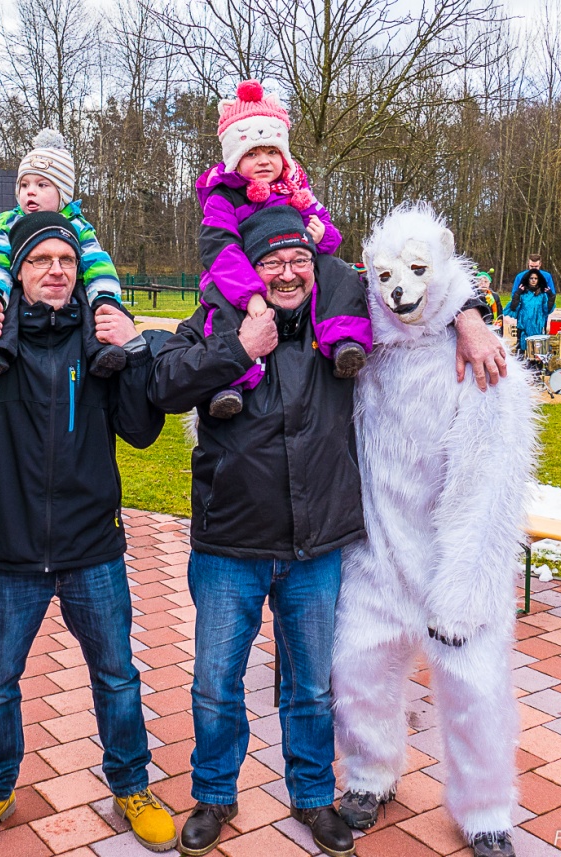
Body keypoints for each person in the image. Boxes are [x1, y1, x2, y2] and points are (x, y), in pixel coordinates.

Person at [148, 206, 505, 857]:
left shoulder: (340, 326)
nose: (287, 272)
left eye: (298, 261)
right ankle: (214, 796)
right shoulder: (215, 319)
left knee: (311, 686)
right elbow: (164, 384)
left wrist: (471, 316)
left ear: (316, 268)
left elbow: (422, 286)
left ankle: (313, 797)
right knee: (214, 682)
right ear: (250, 272)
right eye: (271, 262)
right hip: (230, 546)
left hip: (314, 550)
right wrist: (237, 349)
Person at [0, 212, 174, 857]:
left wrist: (136, 351)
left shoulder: (102, 340)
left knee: (117, 675)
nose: (55, 270)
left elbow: (143, 431)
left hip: (92, 547)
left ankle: (132, 785)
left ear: (80, 273)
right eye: (40, 261)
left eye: (65, 259)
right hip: (5, 550)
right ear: (19, 273)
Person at [196, 79, 372, 418]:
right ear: (235, 157)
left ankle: (345, 340)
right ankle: (230, 381)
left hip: (291, 271)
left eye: (272, 151)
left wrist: (323, 236)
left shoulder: (296, 190)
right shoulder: (223, 197)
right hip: (242, 278)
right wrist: (250, 294)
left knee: (338, 272)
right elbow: (219, 248)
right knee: (220, 303)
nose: (264, 161)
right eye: (252, 153)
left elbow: (330, 237)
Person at [0, 128, 131, 379]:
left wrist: (105, 298)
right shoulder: (9, 225)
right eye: (24, 185)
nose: (31, 192)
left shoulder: (78, 226)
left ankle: (102, 352)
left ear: (63, 194)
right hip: (21, 289)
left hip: (71, 291)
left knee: (92, 309)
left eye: (42, 185)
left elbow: (98, 262)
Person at [505, 270, 554, 354]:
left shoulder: (542, 295)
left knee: (537, 353)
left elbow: (547, 310)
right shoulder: (523, 294)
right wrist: (517, 294)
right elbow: (513, 308)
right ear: (528, 279)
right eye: (531, 278)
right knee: (521, 352)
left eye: (535, 278)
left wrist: (551, 297)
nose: (533, 280)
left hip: (537, 328)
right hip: (523, 328)